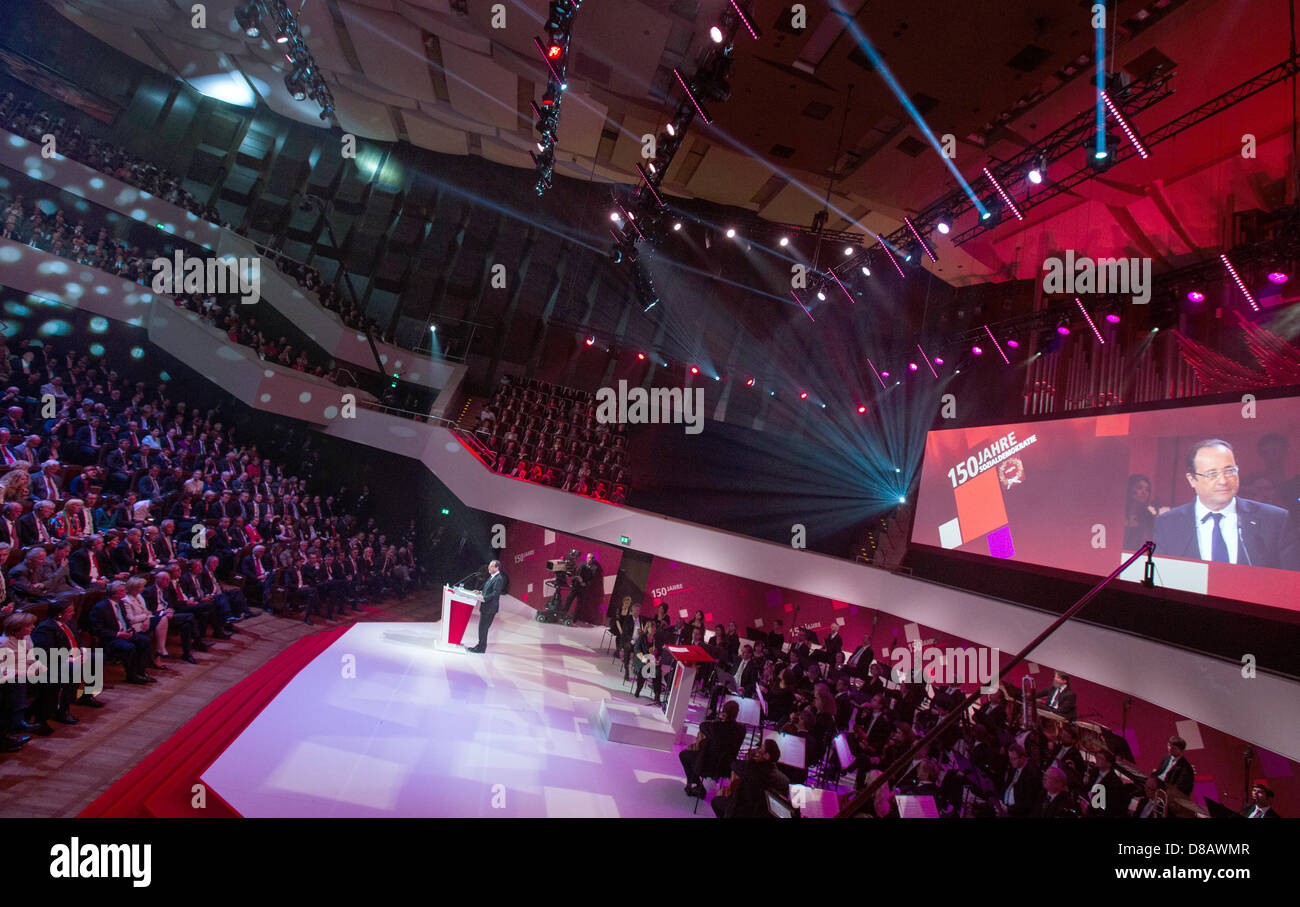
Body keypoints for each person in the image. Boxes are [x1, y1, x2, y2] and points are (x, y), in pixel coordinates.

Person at [1152, 439, 1298, 570]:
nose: (1223, 481)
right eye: (1212, 474)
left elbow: (1291, 582)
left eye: (1229, 471)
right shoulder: (1168, 523)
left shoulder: (1275, 520)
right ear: (1192, 479)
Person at [680, 699, 747, 798]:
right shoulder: (742, 730)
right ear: (736, 714)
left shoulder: (716, 727)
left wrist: (721, 720)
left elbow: (703, 725)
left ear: (724, 713)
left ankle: (697, 786)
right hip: (728, 767)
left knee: (683, 755)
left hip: (708, 766)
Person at [711, 738, 789, 818]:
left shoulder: (752, 769)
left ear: (767, 756)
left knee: (715, 802)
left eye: (761, 748)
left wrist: (750, 760)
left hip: (743, 812)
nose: (758, 750)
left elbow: (734, 764)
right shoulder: (785, 780)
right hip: (763, 815)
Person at [467, 560, 506, 654]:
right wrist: (480, 592)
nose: (489, 568)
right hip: (486, 607)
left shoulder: (499, 579)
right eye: (489, 566)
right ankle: (480, 645)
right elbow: (488, 590)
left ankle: (481, 648)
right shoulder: (492, 577)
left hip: (490, 608)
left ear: (497, 568)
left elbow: (495, 594)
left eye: (491, 566)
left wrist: (484, 597)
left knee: (483, 628)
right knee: (482, 628)